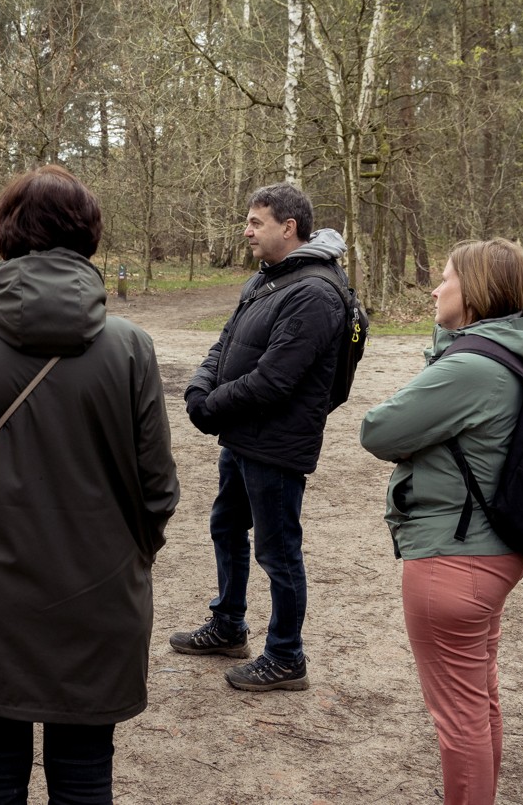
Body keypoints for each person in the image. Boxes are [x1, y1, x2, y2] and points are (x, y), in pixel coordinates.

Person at [0, 165, 180, 804]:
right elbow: (158, 489)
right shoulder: (131, 347)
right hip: (99, 592)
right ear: (88, 235)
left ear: (8, 233)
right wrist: (124, 553)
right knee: (85, 774)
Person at [359, 239, 523, 805]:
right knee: (478, 701)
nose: (435, 289)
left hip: (454, 557)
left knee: (459, 717)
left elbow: (379, 430)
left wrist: (452, 347)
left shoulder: (471, 368)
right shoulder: (516, 352)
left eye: (446, 279)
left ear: (477, 293)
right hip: (492, 550)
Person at [172, 182, 347, 692]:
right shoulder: (268, 279)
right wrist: (199, 388)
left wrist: (209, 408)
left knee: (278, 551)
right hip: (244, 436)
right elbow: (226, 342)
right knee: (227, 528)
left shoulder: (314, 292)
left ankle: (287, 656)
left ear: (288, 227)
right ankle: (229, 625)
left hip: (277, 445)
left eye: (255, 222)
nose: (246, 231)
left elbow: (274, 379)